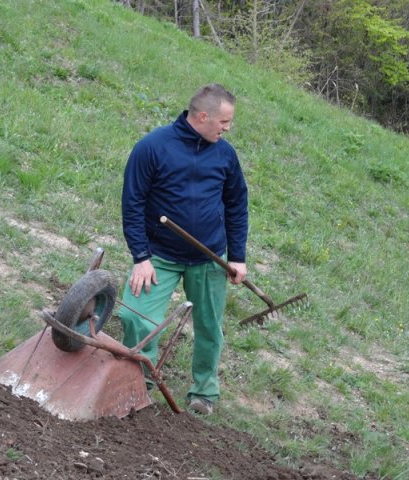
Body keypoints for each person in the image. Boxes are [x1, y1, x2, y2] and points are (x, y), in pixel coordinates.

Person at [119, 84, 249, 415]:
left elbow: (236, 205)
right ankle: (141, 380)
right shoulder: (152, 147)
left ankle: (204, 392)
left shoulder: (225, 155)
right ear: (203, 116)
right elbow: (132, 204)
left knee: (209, 327)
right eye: (224, 121)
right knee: (134, 315)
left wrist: (237, 257)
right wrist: (141, 258)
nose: (227, 128)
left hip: (209, 258)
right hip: (159, 256)